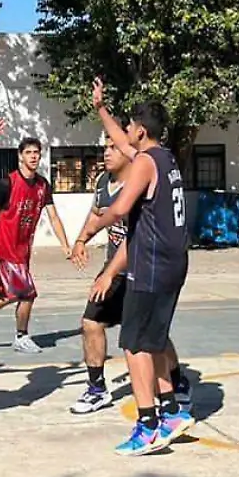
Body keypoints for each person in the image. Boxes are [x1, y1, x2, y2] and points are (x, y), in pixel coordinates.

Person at [72, 80, 193, 457]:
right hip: (173, 261)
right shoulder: (164, 157)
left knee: (134, 345)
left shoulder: (143, 163)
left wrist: (92, 226)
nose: (123, 135)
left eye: (127, 127)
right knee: (153, 341)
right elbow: (124, 143)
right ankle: (173, 412)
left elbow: (121, 208)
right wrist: (101, 109)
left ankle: (148, 424)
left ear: (140, 129)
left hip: (152, 264)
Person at [0, 138, 74, 354]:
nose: (33, 156)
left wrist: (65, 244)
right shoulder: (7, 183)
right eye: (29, 152)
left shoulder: (43, 185)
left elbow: (53, 217)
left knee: (5, 295)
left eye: (36, 152)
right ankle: (21, 336)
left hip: (23, 249)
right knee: (27, 293)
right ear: (20, 156)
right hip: (7, 249)